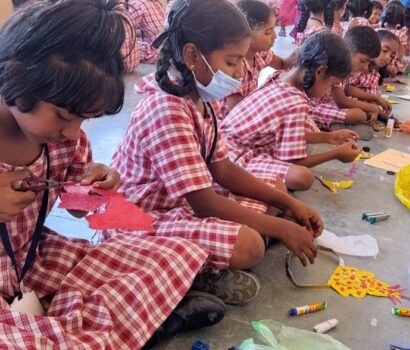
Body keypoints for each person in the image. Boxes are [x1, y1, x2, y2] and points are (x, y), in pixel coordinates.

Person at [0, 1, 222, 348]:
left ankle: (65, 331)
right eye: (62, 116)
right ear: (14, 77)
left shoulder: (66, 142)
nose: (73, 134)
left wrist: (94, 192)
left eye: (84, 120)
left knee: (172, 254)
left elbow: (72, 217)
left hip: (41, 259)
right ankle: (113, 329)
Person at [100, 0, 324, 303]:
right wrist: (281, 226)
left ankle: (206, 258)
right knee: (250, 246)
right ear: (193, 56)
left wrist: (287, 204)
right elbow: (204, 202)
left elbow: (223, 169)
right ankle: (193, 273)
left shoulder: (203, 99)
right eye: (232, 61)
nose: (241, 70)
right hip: (138, 217)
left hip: (180, 203)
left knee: (275, 187)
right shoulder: (165, 109)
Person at [221, 31, 361, 189]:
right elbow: (293, 163)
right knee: (302, 177)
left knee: (303, 138)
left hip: (231, 142)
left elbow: (285, 131)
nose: (329, 92)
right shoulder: (295, 103)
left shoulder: (279, 76)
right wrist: (335, 154)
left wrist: (329, 138)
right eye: (331, 84)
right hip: (233, 155)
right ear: (320, 71)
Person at [309, 26, 389, 139]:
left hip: (329, 106)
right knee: (358, 114)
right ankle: (332, 126)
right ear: (348, 51)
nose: (365, 67)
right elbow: (341, 101)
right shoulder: (336, 65)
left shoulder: (345, 68)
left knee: (361, 120)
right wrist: (371, 107)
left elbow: (346, 88)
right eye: (363, 61)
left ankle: (337, 125)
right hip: (313, 108)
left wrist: (375, 98)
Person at [222, 0, 296, 116]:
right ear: (247, 35)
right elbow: (236, 111)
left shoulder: (259, 54)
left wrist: (300, 52)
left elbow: (282, 64)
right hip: (233, 122)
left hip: (250, 112)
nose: (275, 36)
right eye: (268, 32)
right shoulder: (234, 66)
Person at [125, 0, 165, 64]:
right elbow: (152, 30)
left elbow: (121, 30)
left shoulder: (137, 4)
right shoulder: (156, 3)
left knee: (122, 45)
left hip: (155, 52)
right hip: (166, 48)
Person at [380, 1, 410, 75]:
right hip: (392, 64)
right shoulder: (402, 34)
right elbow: (400, 56)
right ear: (401, 19)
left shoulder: (379, 30)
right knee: (407, 66)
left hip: (378, 62)